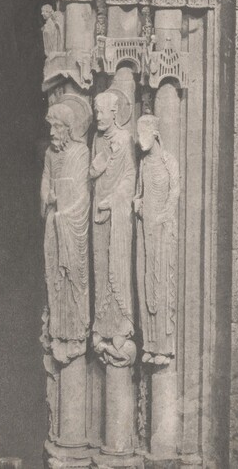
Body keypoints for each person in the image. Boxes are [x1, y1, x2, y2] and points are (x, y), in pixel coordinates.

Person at [42, 97, 91, 363]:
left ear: (68, 128)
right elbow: (45, 185)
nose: (52, 132)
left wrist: (68, 214)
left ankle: (75, 336)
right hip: (54, 225)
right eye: (51, 127)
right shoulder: (50, 155)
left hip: (72, 227)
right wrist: (48, 198)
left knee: (73, 280)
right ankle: (58, 335)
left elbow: (84, 194)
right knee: (54, 279)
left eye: (57, 127)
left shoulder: (81, 153)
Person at [91, 89, 136, 366]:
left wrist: (115, 200)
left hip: (117, 214)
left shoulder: (125, 139)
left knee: (117, 266)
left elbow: (130, 175)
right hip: (99, 214)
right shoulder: (98, 141)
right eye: (94, 110)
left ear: (114, 113)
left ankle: (121, 325)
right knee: (101, 267)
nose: (97, 115)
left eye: (101, 111)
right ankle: (102, 326)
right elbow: (93, 172)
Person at [135, 114, 180, 364]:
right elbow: (138, 194)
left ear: (154, 134)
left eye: (143, 133)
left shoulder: (169, 161)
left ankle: (163, 345)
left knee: (162, 282)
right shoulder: (143, 164)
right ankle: (150, 344)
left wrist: (163, 216)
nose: (139, 139)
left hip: (163, 231)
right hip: (146, 231)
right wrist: (137, 204)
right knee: (147, 282)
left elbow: (175, 191)